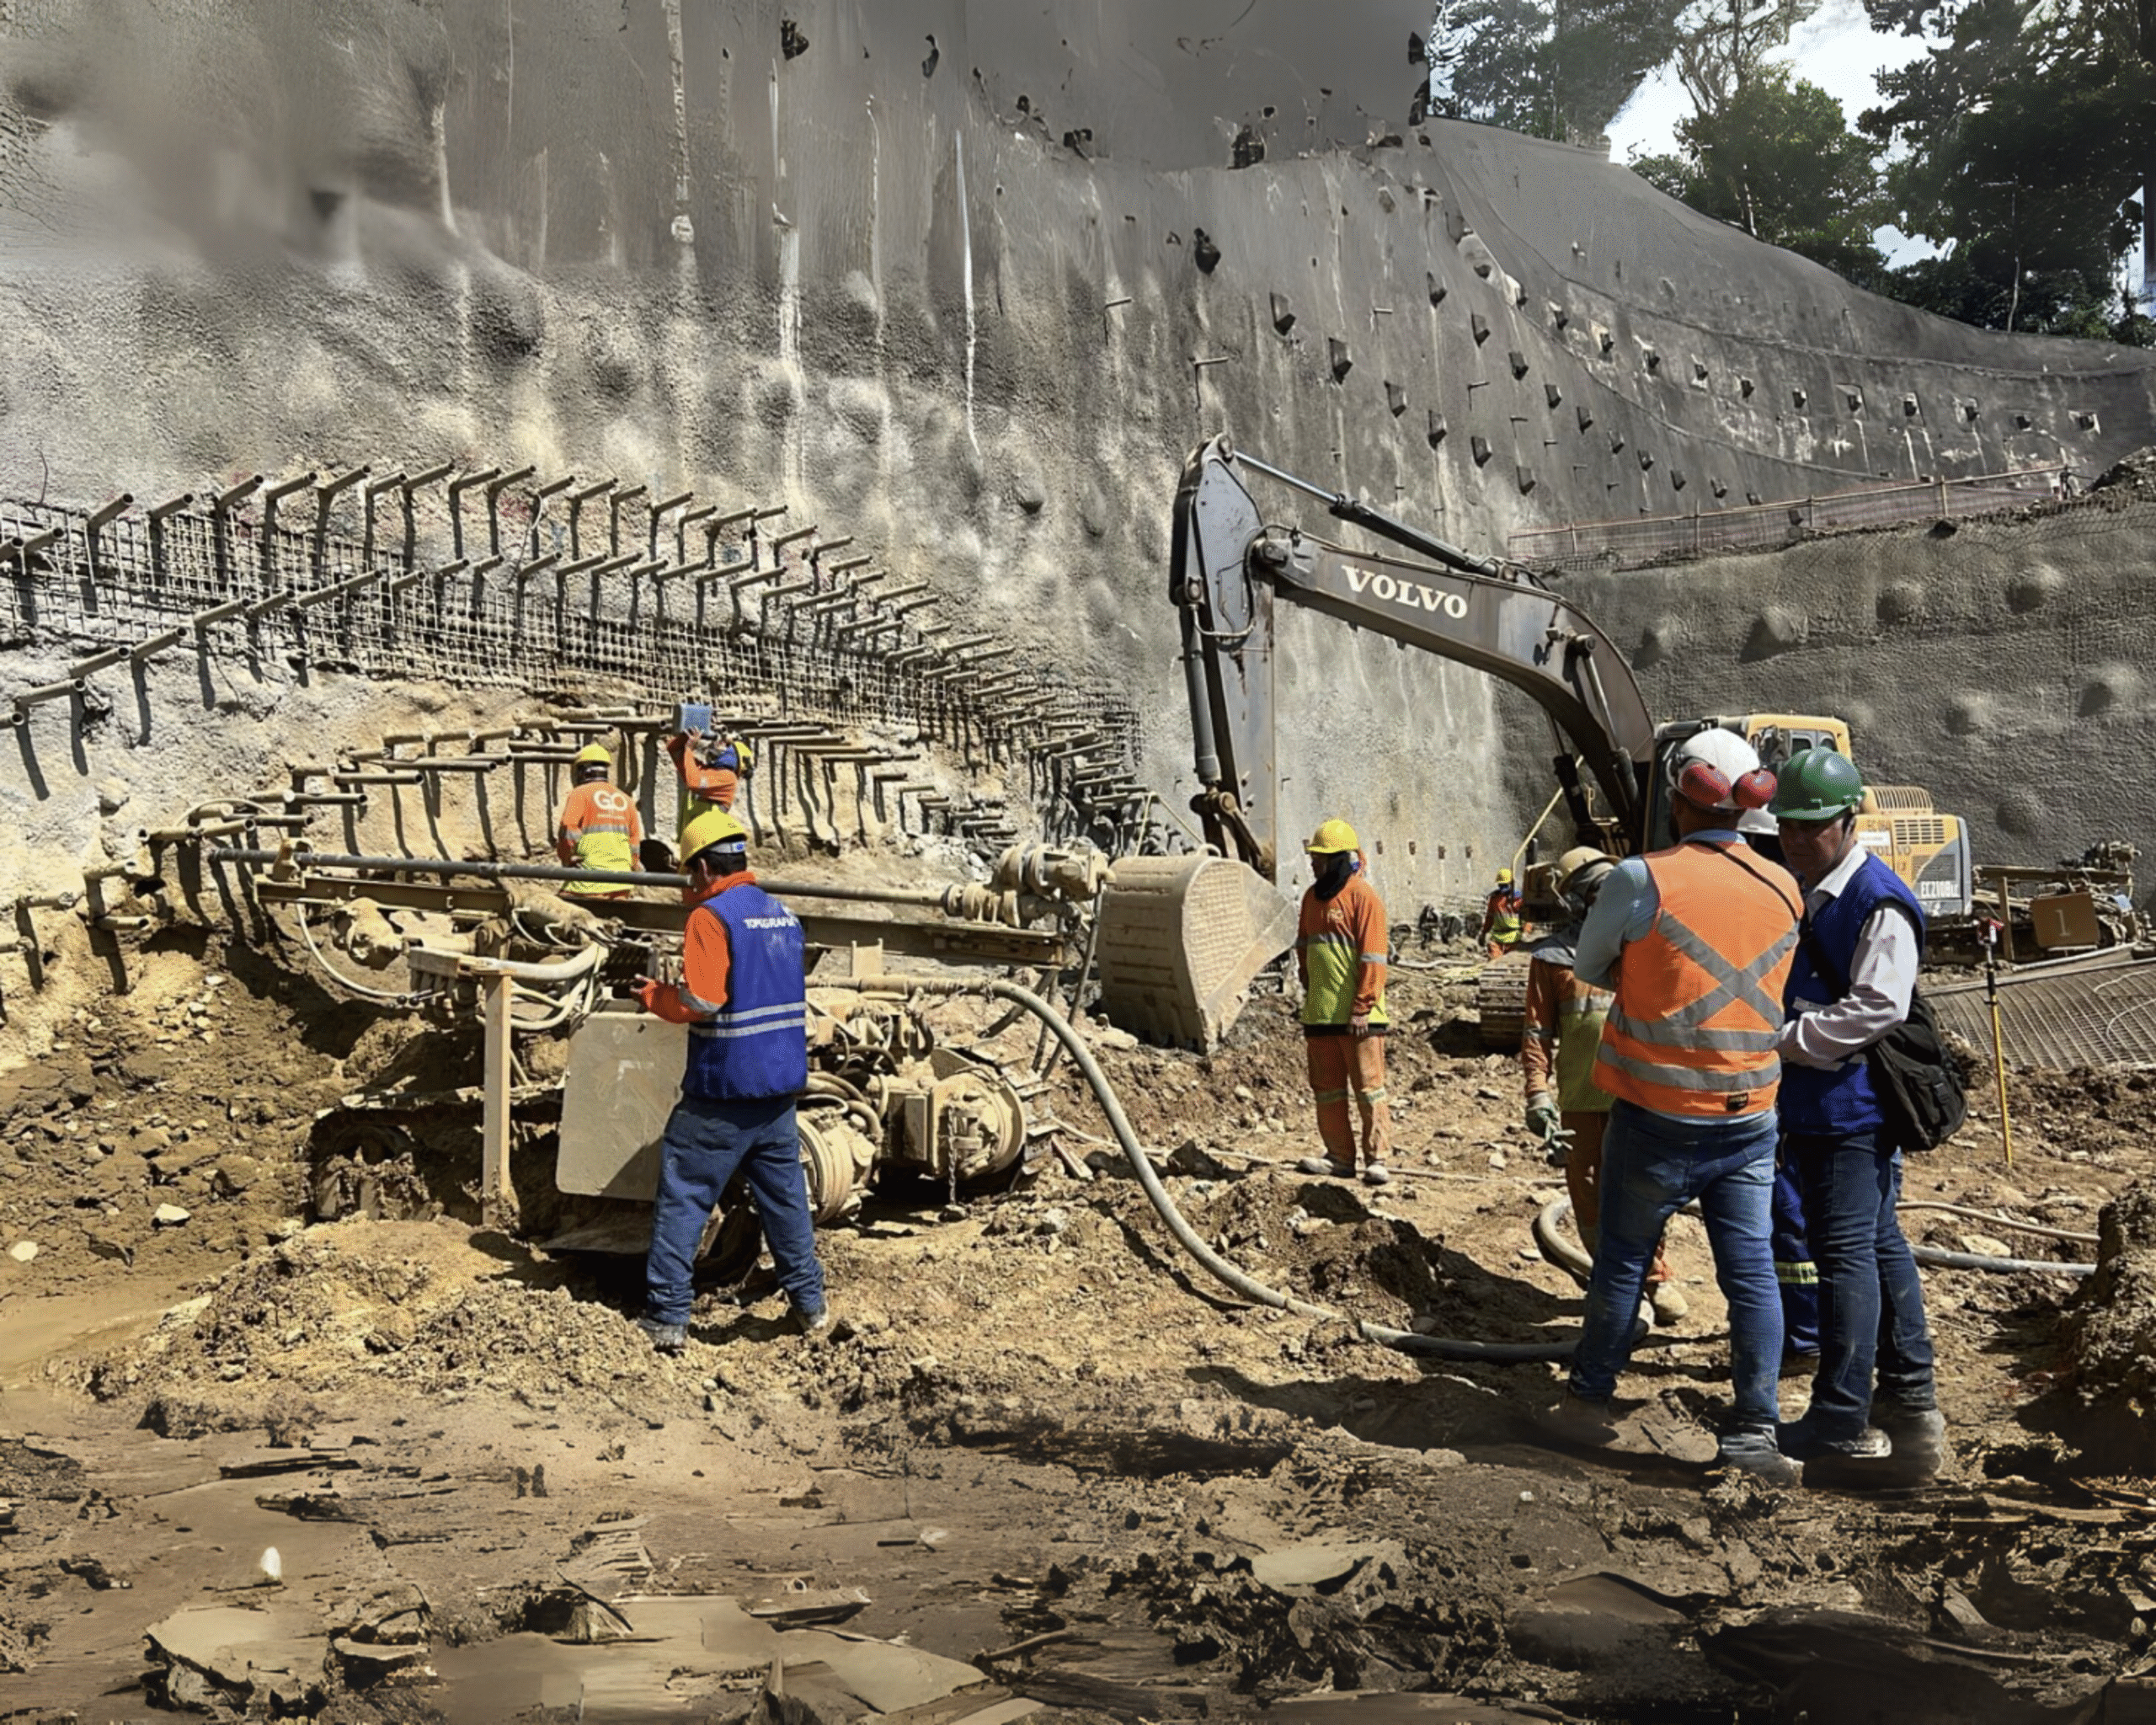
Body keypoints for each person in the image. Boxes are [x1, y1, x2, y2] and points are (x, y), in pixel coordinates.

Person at [1550, 729, 1805, 1482]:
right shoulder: (1784, 885)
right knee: (1752, 1273)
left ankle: (1589, 1402)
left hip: (1655, 1118)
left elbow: (1590, 966)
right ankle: (1756, 1430)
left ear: (1679, 797)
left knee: (1625, 1261)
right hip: (1749, 1117)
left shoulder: (1640, 878)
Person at [1770, 748, 1947, 1481]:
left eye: (1812, 827)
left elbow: (1879, 1005)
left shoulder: (1876, 898)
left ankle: (1842, 1417)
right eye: (1787, 826)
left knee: (1844, 1259)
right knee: (1876, 1248)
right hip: (1822, 1104)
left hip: (1850, 1111)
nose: (1797, 839)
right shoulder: (1816, 890)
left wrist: (1788, 1042)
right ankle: (1911, 1405)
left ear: (1848, 822)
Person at [632, 808, 826, 1352]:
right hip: (778, 1093)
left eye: (686, 875)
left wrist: (652, 997)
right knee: (786, 1202)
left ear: (699, 869)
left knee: (684, 1199)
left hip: (722, 1094)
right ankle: (811, 1307)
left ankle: (667, 1319)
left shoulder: (710, 918)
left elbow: (704, 1000)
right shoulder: (782, 915)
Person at [1523, 846, 1688, 1327]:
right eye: (1594, 893)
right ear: (1576, 901)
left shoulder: (1645, 948)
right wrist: (1538, 1095)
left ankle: (1654, 1278)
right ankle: (1612, 1281)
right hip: (1581, 1096)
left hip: (1639, 1093)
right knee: (1590, 1195)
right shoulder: (1553, 959)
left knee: (1648, 1189)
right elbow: (1537, 1032)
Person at [1294, 819, 1394, 1188]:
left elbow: (1374, 958)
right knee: (1328, 1090)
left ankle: (1377, 1158)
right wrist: (1310, 992)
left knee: (1369, 1088)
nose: (1313, 864)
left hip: (1360, 1017)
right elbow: (1304, 950)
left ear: (1338, 859)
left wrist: (1362, 1006)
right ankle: (1339, 1157)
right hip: (1321, 1014)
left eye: (1320, 858)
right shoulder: (1310, 899)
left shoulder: (1362, 897)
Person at [555, 743, 643, 900]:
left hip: (589, 880)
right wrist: (632, 869)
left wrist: (567, 858)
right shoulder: (626, 799)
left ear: (583, 772)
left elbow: (568, 828)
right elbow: (635, 843)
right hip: (622, 883)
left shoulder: (580, 794)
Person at [666, 727, 754, 831]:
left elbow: (694, 783)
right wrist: (688, 734)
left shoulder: (729, 778)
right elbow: (675, 751)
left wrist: (689, 749)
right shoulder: (708, 771)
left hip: (710, 840)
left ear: (734, 756)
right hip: (694, 840)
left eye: (727, 745)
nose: (720, 743)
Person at [1480, 867, 1524, 960]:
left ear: (1511, 884)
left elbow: (1527, 918)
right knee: (1494, 962)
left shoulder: (1518, 899)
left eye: (1505, 884)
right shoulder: (1495, 899)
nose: (1503, 887)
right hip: (1498, 939)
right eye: (1501, 884)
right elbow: (1489, 917)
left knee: (1513, 965)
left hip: (1514, 938)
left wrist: (1526, 932)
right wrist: (1484, 933)